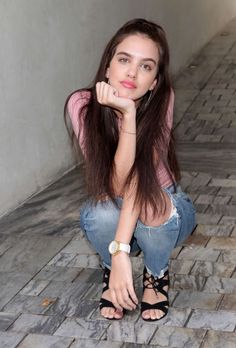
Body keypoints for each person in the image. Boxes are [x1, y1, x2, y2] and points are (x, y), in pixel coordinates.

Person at [64, 18, 196, 322]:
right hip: (118, 199)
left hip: (164, 207)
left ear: (154, 82)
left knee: (150, 205)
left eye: (146, 66)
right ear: (107, 66)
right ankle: (113, 269)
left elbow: (139, 180)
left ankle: (155, 272)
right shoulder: (82, 105)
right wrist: (126, 114)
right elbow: (116, 185)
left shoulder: (163, 100)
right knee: (100, 213)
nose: (132, 73)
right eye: (124, 60)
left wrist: (130, 114)